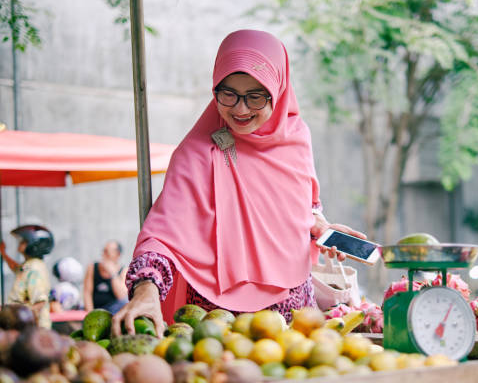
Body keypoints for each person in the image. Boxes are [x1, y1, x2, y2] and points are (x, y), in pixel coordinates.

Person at [112, 29, 366, 337]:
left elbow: (302, 206)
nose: (240, 109)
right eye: (228, 93)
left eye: (255, 96)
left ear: (279, 90)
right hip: (213, 319)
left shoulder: (297, 138)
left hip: (293, 309)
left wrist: (320, 227)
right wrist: (145, 289)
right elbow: (162, 236)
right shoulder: (196, 153)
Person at [0, 224, 54, 328]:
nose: (19, 244)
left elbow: (39, 303)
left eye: (24, 241)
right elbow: (16, 268)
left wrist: (12, 316)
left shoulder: (35, 268)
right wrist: (3, 253)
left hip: (32, 329)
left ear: (34, 245)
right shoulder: (28, 265)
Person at [83, 240, 128, 314]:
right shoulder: (92, 267)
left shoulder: (123, 271)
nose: (104, 255)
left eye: (107, 252)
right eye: (104, 251)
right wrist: (90, 314)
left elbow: (121, 296)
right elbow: (87, 293)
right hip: (95, 308)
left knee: (125, 302)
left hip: (113, 310)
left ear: (117, 254)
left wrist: (112, 273)